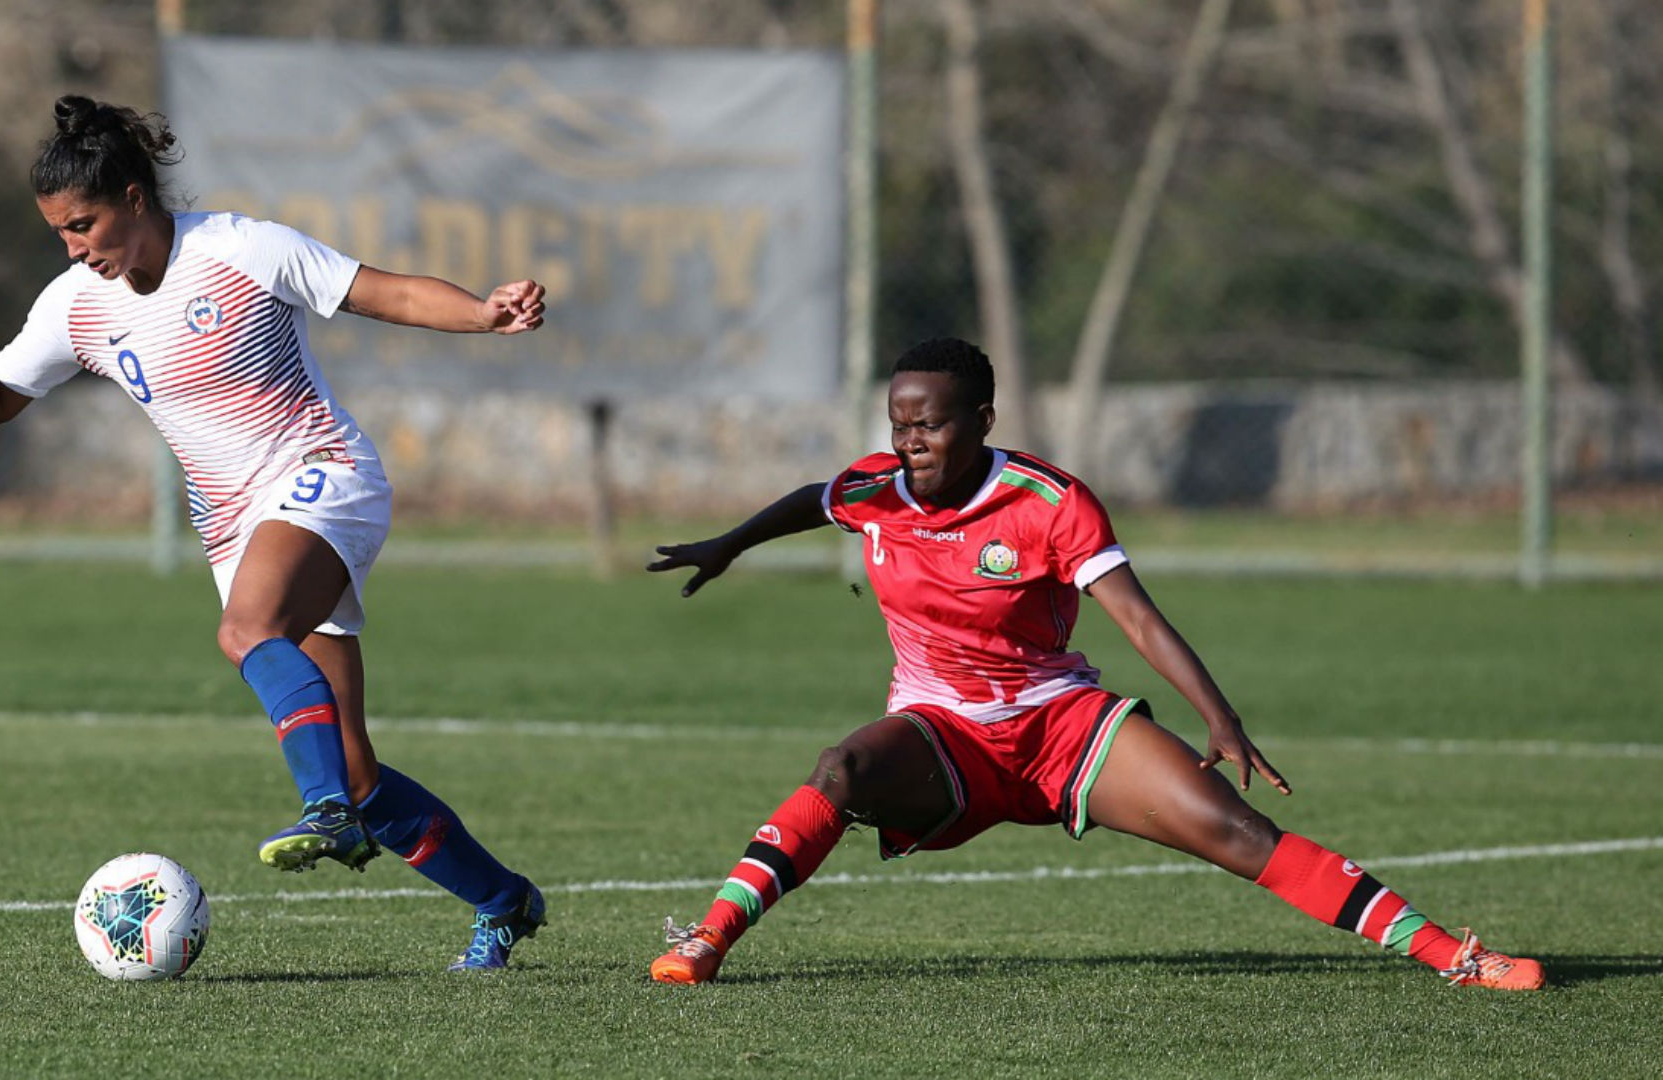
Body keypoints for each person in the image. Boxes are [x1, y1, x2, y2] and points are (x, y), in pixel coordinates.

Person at [644, 337, 1542, 991]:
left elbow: (1141, 621)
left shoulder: (1050, 501)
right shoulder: (878, 489)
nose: (912, 441)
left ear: (984, 420)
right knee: (840, 770)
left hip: (1064, 729)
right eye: (901, 424)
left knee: (1235, 833)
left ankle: (1452, 957)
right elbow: (815, 499)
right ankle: (708, 939)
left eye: (932, 424)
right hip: (946, 734)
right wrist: (730, 544)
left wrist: (1220, 718)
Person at [0, 96, 546, 972]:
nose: (75, 247)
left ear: (132, 196)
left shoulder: (241, 249)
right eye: (59, 233)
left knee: (247, 632)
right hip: (236, 524)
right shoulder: (76, 303)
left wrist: (484, 313)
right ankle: (502, 901)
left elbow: (380, 290)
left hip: (324, 474)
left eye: (83, 224)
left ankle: (321, 812)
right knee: (357, 770)